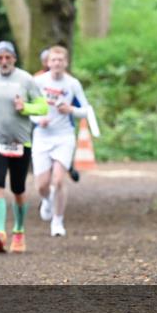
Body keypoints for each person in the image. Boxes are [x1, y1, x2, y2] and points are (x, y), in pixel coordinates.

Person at [0, 41, 47, 254]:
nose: (4, 61)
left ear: (14, 58)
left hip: (20, 141)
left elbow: (43, 107)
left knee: (18, 189)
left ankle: (19, 230)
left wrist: (26, 107)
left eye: (8, 57)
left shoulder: (26, 79)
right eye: (0, 58)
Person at [33, 45, 91, 236]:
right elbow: (25, 107)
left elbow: (86, 110)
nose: (57, 63)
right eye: (53, 60)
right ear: (48, 63)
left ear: (66, 63)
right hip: (42, 136)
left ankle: (58, 222)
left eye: (60, 60)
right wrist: (37, 119)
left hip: (64, 136)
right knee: (42, 185)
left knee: (58, 180)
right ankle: (47, 200)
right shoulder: (38, 81)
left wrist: (71, 110)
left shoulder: (72, 84)